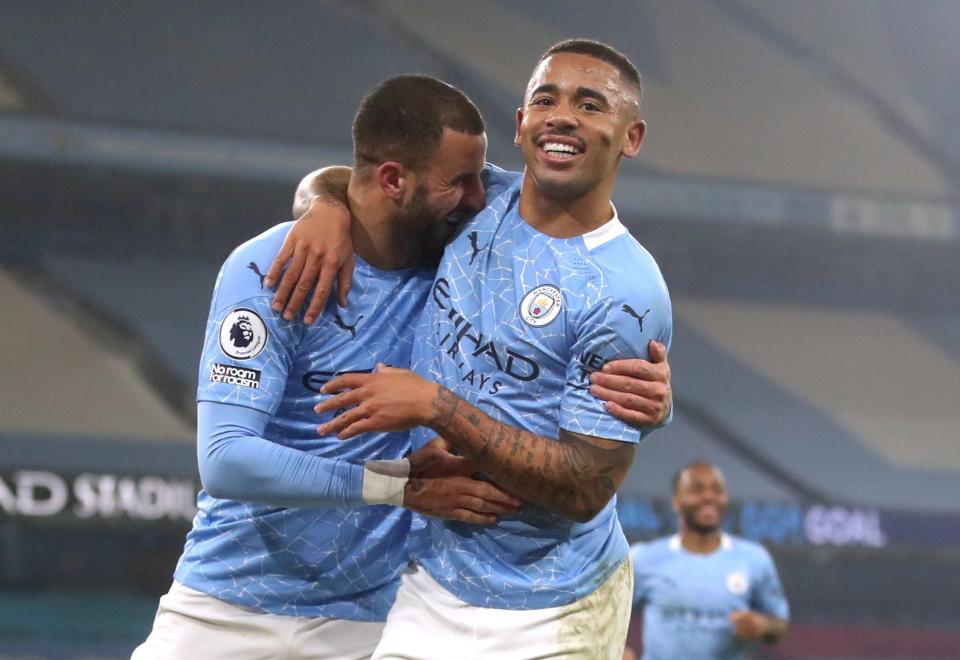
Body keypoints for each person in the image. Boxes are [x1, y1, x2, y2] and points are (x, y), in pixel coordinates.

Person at [133, 74, 667, 660]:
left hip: (373, 615)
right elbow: (226, 460)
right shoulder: (275, 267)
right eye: (459, 182)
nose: (478, 198)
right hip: (227, 600)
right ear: (393, 181)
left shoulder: (457, 260)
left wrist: (645, 390)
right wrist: (398, 485)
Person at [305, 39, 672, 658]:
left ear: (630, 137)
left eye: (590, 104)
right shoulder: (478, 198)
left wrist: (435, 406)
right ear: (521, 124)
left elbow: (583, 491)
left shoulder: (625, 294)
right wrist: (322, 207)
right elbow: (365, 179)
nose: (562, 115)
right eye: (545, 99)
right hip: (430, 574)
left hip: (552, 601)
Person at [625, 462, 789, 659]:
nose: (709, 497)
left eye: (717, 490)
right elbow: (606, 612)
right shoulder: (644, 558)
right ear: (676, 501)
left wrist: (762, 627)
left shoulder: (753, 559)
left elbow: (779, 625)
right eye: (697, 490)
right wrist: (616, 651)